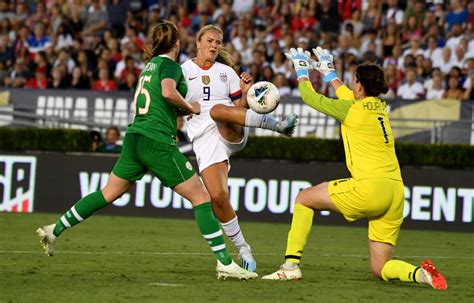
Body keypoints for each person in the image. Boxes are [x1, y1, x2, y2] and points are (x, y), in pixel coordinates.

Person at [36, 20, 257, 281]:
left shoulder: (148, 67)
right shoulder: (171, 66)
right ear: (177, 43)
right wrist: (191, 106)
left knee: (107, 193)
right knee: (202, 199)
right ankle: (225, 263)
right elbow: (167, 92)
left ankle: (54, 229)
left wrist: (180, 108)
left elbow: (153, 99)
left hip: (134, 138)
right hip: (156, 142)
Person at [262, 47, 447, 291]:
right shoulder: (379, 106)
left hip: (370, 188)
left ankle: (290, 266)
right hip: (395, 192)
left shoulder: (352, 110)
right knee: (380, 268)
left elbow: (310, 98)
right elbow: (348, 94)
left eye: (355, 81)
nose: (352, 85)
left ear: (360, 86)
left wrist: (301, 70)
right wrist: (330, 74)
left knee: (304, 198)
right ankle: (421, 274)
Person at [181, 24, 298, 272]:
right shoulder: (183, 71)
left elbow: (240, 108)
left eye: (218, 42)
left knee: (216, 110)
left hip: (229, 130)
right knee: (218, 197)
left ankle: (278, 125)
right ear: (198, 42)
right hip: (204, 140)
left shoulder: (227, 73)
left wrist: (246, 92)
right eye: (210, 40)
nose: (214, 45)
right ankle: (244, 249)